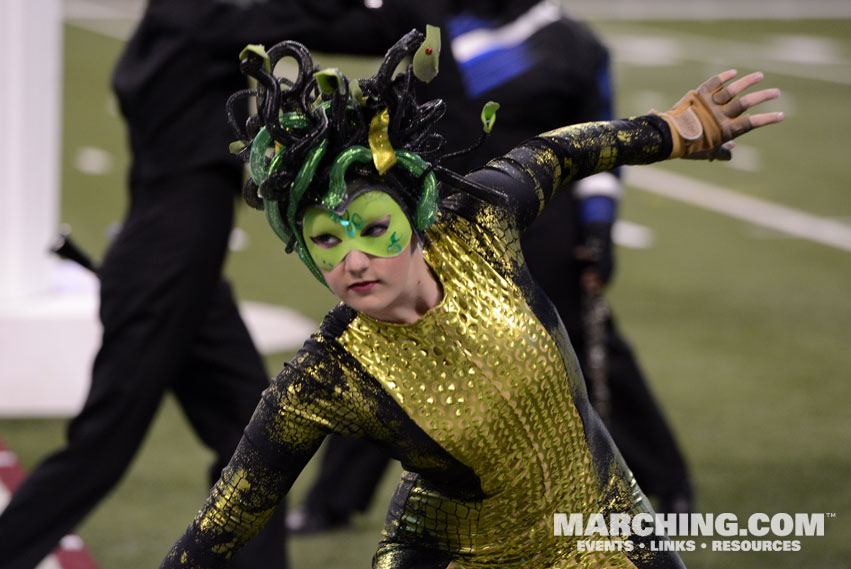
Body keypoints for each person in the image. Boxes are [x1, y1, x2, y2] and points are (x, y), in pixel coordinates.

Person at [157, 27, 781, 568]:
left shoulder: (478, 220)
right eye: (326, 240)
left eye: (374, 229)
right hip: (449, 557)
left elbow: (557, 153)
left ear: (417, 215)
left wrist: (673, 130)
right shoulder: (324, 376)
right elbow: (223, 523)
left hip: (604, 518)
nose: (353, 260)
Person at [0, 2, 441, 568]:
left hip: (180, 264)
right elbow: (328, 26)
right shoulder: (200, 22)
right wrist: (409, 16)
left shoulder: (170, 26)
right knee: (100, 448)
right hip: (169, 264)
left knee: (251, 436)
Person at [288, 0, 692, 534]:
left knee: (582, 350)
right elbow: (339, 23)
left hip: (543, 223)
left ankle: (668, 486)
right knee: (396, 349)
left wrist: (598, 227)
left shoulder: (573, 41)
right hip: (440, 215)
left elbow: (597, 143)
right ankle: (333, 501)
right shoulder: (428, 17)